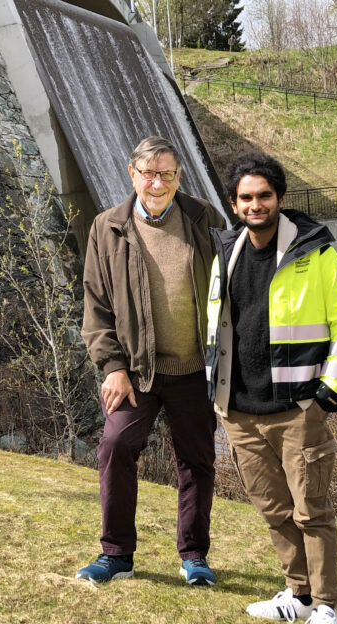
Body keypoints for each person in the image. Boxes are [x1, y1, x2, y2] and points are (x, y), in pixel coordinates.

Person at [205, 153, 337, 624]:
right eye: (246, 198)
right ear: (234, 204)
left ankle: (326, 610)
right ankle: (296, 592)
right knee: (273, 509)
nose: (256, 205)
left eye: (264, 196)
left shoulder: (315, 253)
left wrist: (326, 393)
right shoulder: (225, 250)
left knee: (311, 511)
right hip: (239, 411)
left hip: (297, 410)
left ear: (280, 199)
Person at [77, 136, 228, 586]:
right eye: (148, 172)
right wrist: (112, 368)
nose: (157, 182)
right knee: (115, 447)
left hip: (194, 373)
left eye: (166, 173)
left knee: (197, 462)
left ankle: (194, 557)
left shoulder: (205, 219)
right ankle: (116, 555)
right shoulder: (107, 227)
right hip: (135, 373)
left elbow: (233, 292)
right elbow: (96, 306)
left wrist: (230, 367)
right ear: (132, 175)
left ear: (179, 176)